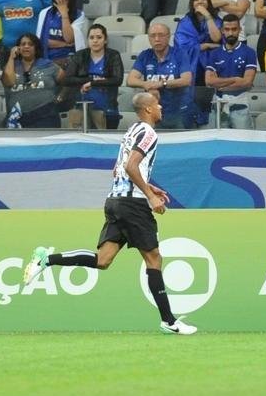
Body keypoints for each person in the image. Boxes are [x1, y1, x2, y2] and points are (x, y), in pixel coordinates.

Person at [24, 91, 196, 334]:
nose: (161, 108)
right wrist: (150, 196)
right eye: (157, 104)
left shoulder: (131, 131)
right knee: (153, 258)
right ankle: (169, 321)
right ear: (147, 109)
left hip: (115, 200)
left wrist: (148, 184)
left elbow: (118, 170)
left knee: (102, 260)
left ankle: (45, 260)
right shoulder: (148, 133)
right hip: (131, 204)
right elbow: (129, 166)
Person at [126, 21, 195, 130]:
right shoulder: (145, 55)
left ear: (168, 37)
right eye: (153, 36)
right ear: (149, 38)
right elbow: (130, 80)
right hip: (153, 112)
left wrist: (161, 83)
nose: (157, 39)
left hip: (178, 111)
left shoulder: (180, 54)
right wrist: (146, 84)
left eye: (161, 35)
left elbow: (186, 80)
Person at [59, 23, 123, 130]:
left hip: (107, 109)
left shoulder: (113, 55)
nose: (95, 41)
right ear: (88, 40)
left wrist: (92, 84)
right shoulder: (79, 55)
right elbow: (67, 80)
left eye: (99, 37)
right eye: (91, 37)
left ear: (105, 40)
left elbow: (117, 80)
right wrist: (92, 80)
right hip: (80, 107)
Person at [203, 13, 258, 129]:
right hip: (218, 104)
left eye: (234, 29)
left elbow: (247, 82)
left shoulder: (249, 52)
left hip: (240, 103)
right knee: (217, 142)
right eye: (227, 29)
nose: (231, 33)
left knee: (243, 143)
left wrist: (221, 85)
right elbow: (209, 81)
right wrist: (235, 79)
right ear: (222, 30)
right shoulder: (215, 54)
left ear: (240, 30)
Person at [0, 32, 61, 128]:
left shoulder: (49, 65)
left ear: (36, 48)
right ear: (17, 48)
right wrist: (11, 57)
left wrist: (60, 97)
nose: (26, 46)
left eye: (30, 44)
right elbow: (9, 82)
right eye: (23, 44)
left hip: (46, 117)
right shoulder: (11, 66)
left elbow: (67, 82)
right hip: (17, 118)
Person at [37, 0, 85, 64]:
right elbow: (44, 41)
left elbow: (69, 39)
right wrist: (64, 44)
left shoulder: (79, 15)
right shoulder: (44, 13)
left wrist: (64, 13)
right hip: (47, 60)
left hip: (69, 60)